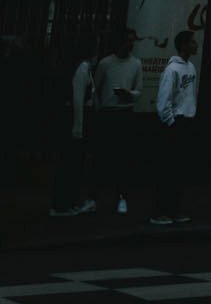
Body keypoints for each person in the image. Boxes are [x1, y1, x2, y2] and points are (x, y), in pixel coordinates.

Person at [150, 28, 199, 226]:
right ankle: (161, 210)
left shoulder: (190, 67)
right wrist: (172, 122)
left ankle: (173, 209)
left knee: (178, 170)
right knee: (169, 169)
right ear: (184, 45)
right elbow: (164, 100)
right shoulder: (173, 70)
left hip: (184, 121)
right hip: (176, 123)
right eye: (192, 42)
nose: (196, 45)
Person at [93, 28, 142, 215]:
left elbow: (139, 89)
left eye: (132, 41)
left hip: (124, 112)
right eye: (127, 41)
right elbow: (96, 89)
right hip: (108, 113)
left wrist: (129, 94)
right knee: (102, 156)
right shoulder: (106, 63)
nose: (130, 45)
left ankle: (120, 196)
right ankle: (95, 195)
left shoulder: (135, 64)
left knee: (123, 158)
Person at [49, 35, 98, 217]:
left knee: (70, 163)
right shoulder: (83, 68)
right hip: (78, 121)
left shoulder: (80, 67)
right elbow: (78, 99)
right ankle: (64, 203)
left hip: (76, 120)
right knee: (71, 163)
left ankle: (65, 202)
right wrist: (78, 127)